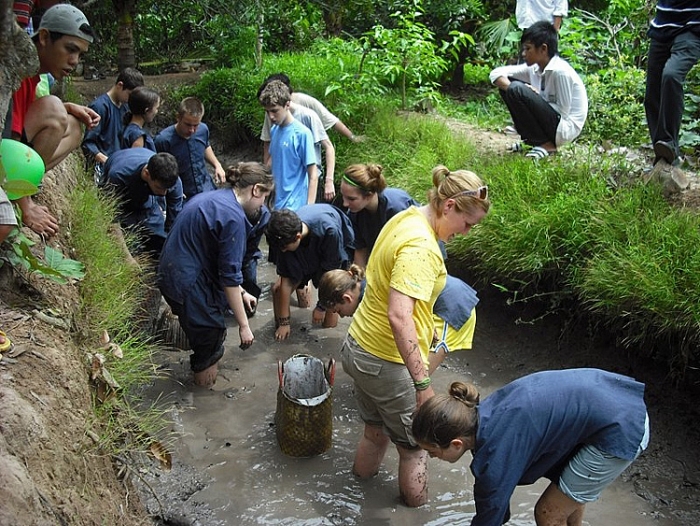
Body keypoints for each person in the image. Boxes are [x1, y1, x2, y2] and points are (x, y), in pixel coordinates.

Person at [341, 165, 490, 507]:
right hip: (388, 362)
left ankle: (357, 494)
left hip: (359, 347)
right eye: (468, 224)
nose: (467, 233)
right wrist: (422, 386)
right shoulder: (421, 247)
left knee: (375, 433)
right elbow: (399, 316)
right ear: (449, 206)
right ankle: (416, 513)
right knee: (415, 450)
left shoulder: (407, 216)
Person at [412, 369, 650, 526]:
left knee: (547, 513)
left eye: (433, 451)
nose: (432, 457)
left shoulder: (497, 453)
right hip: (619, 400)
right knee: (565, 496)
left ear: (456, 443)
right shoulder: (488, 413)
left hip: (620, 430)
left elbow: (492, 514)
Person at [157, 162, 274, 387]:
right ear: (256, 189)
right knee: (211, 335)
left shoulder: (212, 198)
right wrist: (243, 325)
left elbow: (220, 263)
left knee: (204, 329)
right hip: (185, 281)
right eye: (264, 197)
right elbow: (229, 277)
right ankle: (202, 401)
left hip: (171, 273)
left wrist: (241, 292)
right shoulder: (234, 218)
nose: (263, 206)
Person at [6, 4, 100, 237]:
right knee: (55, 110)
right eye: (70, 49)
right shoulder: (17, 71)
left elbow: (24, 116)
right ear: (45, 37)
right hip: (5, 159)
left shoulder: (34, 76)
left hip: (11, 158)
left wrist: (69, 107)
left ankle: (24, 185)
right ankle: (18, 193)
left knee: (74, 127)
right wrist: (27, 208)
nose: (74, 60)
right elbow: (10, 143)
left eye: (80, 54)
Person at [319, 267, 479, 374]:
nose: (341, 317)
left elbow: (403, 315)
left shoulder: (375, 295)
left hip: (451, 305)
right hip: (429, 300)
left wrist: (427, 328)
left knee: (419, 371)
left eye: (338, 311)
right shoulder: (366, 288)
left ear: (347, 298)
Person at [489, 21, 587, 159]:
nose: (523, 54)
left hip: (564, 129)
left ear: (543, 49)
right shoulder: (534, 69)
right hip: (550, 122)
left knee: (517, 89)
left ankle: (548, 145)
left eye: (527, 49)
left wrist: (534, 97)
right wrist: (517, 90)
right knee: (511, 88)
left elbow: (563, 112)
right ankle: (532, 141)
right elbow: (495, 74)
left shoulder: (560, 72)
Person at [266, 204, 355, 340]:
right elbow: (286, 282)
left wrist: (321, 307)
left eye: (284, 248)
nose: (282, 251)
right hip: (303, 247)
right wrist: (284, 323)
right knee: (277, 289)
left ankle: (328, 329)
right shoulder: (283, 239)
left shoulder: (329, 231)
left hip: (329, 248)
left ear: (297, 236)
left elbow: (331, 278)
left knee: (333, 304)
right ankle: (282, 324)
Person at [644, 0, 700, 194]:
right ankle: (663, 155)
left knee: (671, 76)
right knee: (652, 93)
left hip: (691, 28)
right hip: (662, 26)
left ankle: (669, 144)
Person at [258, 75, 336, 203]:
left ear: (287, 105)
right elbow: (273, 160)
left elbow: (313, 175)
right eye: (267, 112)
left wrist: (308, 209)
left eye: (274, 111)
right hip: (277, 200)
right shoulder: (274, 130)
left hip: (297, 202)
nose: (270, 116)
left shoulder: (303, 132)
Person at [104, 148, 182, 257]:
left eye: (167, 189)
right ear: (146, 174)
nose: (164, 194)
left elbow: (174, 223)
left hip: (147, 201)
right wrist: (127, 258)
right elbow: (112, 220)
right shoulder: (118, 175)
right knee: (130, 244)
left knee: (161, 241)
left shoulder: (173, 182)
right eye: (159, 188)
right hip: (121, 199)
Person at [339, 163, 418, 268]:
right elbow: (361, 250)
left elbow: (411, 247)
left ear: (369, 195)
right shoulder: (355, 214)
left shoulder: (396, 208)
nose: (345, 204)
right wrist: (358, 280)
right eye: (343, 196)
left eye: (351, 199)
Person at [82, 67, 144, 186]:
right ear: (120, 85)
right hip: (104, 169)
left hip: (121, 166)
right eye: (130, 95)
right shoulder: (99, 107)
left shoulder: (126, 107)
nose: (131, 100)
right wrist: (107, 160)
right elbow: (88, 143)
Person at [155, 97, 225, 200]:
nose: (192, 130)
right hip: (183, 194)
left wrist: (217, 165)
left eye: (196, 125)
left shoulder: (203, 130)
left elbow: (205, 145)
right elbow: (157, 172)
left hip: (206, 187)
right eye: (188, 125)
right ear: (178, 117)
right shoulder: (163, 141)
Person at [263, 73, 365, 143]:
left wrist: (352, 137)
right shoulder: (272, 110)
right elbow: (267, 139)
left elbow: (331, 120)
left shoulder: (306, 102)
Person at [121, 86, 161, 151]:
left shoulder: (127, 127)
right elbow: (137, 159)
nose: (157, 111)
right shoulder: (138, 135)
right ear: (146, 111)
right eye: (156, 108)